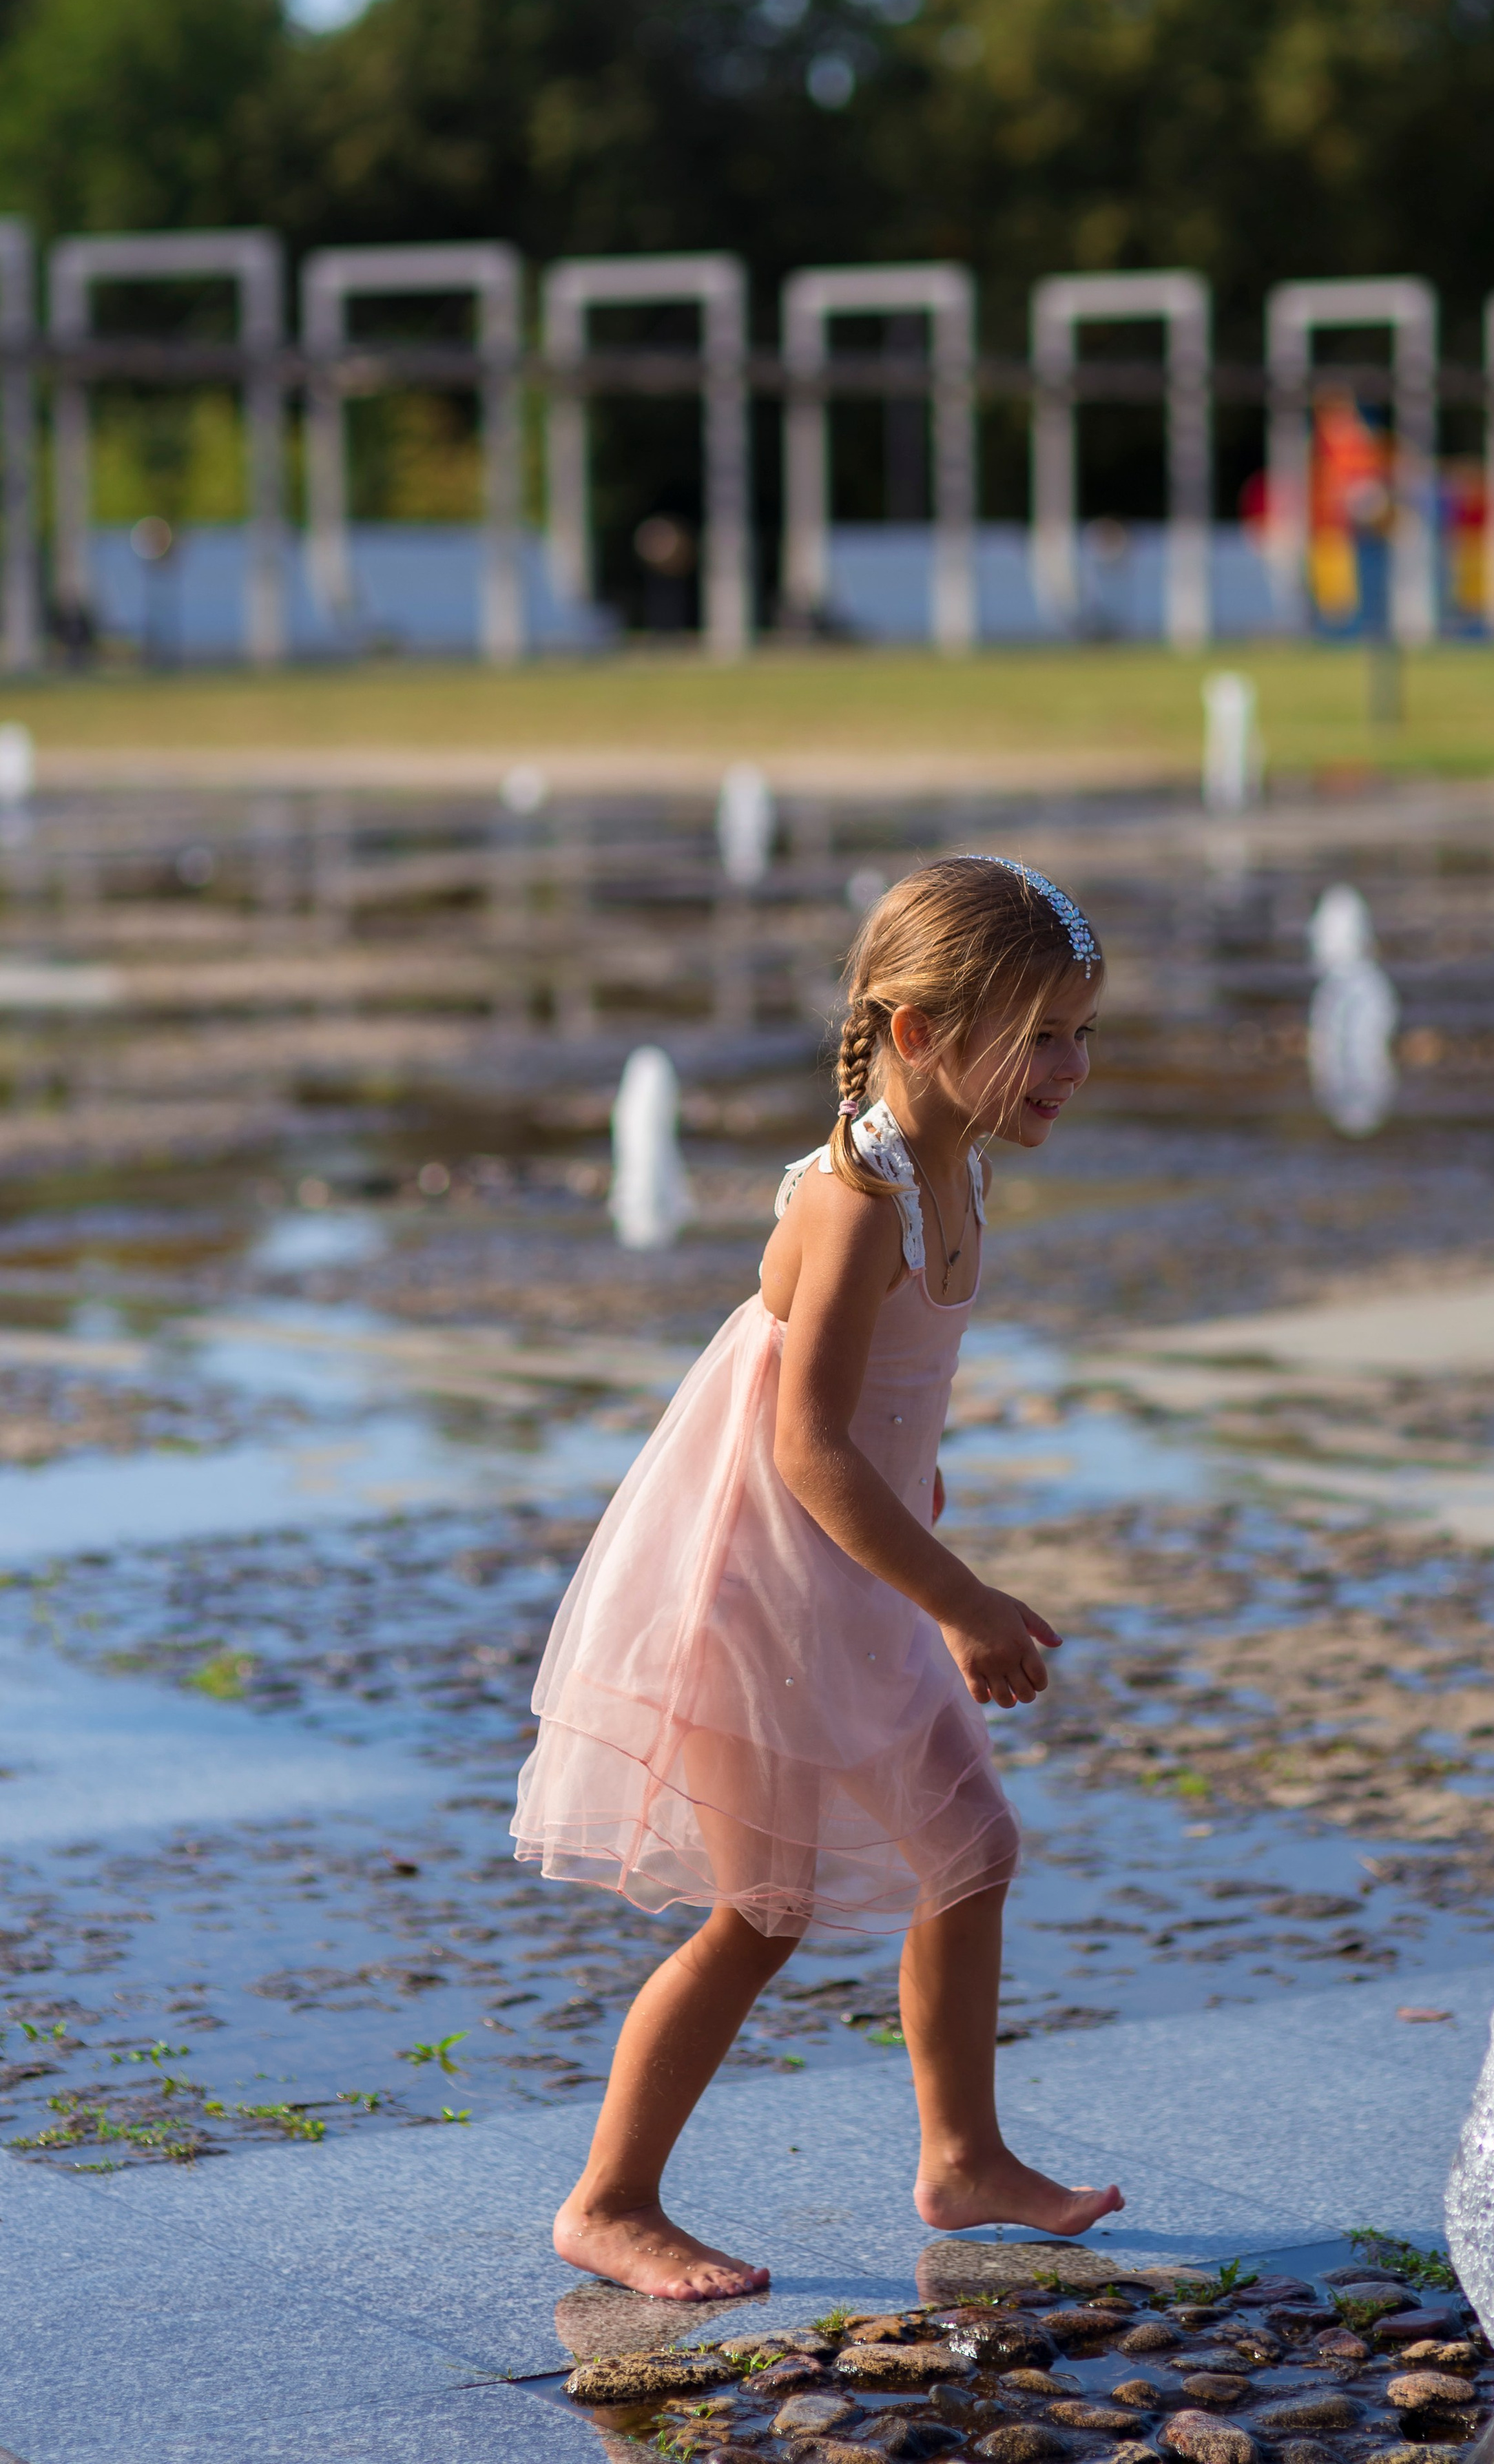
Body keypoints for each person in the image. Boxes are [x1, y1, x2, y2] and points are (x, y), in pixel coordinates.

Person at [511, 854, 1123, 2301]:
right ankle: (608, 2200)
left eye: (1083, 1032)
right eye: (1040, 1034)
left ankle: (961, 2156)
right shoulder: (860, 1198)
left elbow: (882, 1409)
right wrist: (956, 1597)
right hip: (765, 1585)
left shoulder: (955, 1162)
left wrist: (922, 1501)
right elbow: (803, 1447)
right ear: (917, 1032)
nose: (1072, 1067)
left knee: (970, 1849)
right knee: (765, 1907)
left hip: (855, 1569)